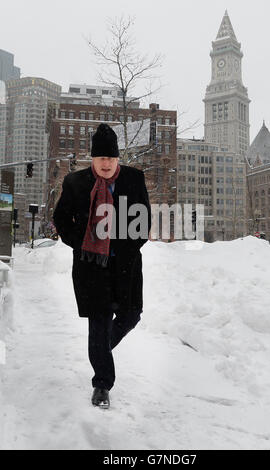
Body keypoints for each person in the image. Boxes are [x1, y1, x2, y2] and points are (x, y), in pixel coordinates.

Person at [53, 124, 151, 409]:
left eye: (111, 158)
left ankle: (100, 350)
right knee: (98, 324)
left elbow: (142, 223)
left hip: (126, 265)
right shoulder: (75, 183)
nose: (106, 163)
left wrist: (122, 251)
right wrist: (81, 244)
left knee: (131, 316)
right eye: (101, 158)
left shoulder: (134, 179)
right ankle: (102, 384)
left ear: (117, 158)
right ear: (92, 159)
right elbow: (62, 220)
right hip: (90, 267)